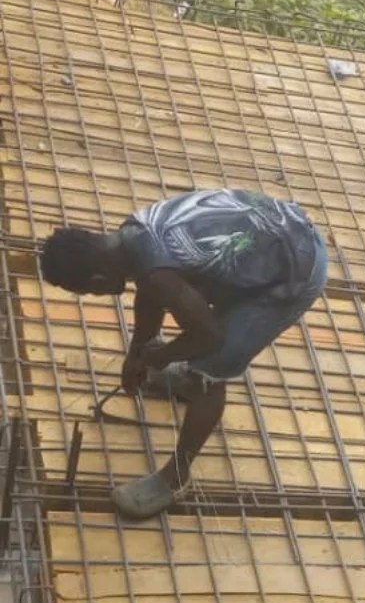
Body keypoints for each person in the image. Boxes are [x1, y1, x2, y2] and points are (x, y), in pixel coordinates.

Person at [40, 189, 327, 519]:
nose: (97, 294)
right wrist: (139, 352)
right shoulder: (132, 234)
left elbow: (209, 336)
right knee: (193, 325)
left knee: (211, 366)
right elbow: (150, 292)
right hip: (274, 238)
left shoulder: (154, 269)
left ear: (98, 277)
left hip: (295, 271)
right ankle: (185, 379)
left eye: (92, 290)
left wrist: (160, 356)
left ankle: (175, 477)